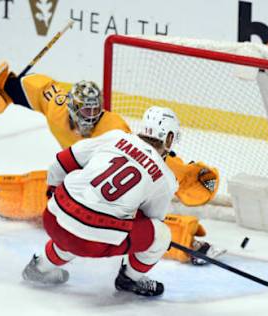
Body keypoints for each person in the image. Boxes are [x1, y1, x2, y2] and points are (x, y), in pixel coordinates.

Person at [0, 63, 224, 266]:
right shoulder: (58, 109)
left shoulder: (113, 128)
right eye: (85, 111)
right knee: (18, 196)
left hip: (98, 189)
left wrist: (189, 175)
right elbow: (38, 89)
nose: (91, 116)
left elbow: (152, 158)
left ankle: (49, 262)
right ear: (71, 107)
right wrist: (5, 87)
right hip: (83, 183)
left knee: (116, 214)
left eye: (95, 110)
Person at [21, 106, 185, 296]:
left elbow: (63, 161)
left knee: (77, 219)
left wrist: (53, 197)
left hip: (52, 219)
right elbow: (152, 221)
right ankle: (130, 279)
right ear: (170, 137)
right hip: (92, 243)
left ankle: (40, 267)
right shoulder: (165, 179)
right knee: (161, 235)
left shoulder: (116, 137)